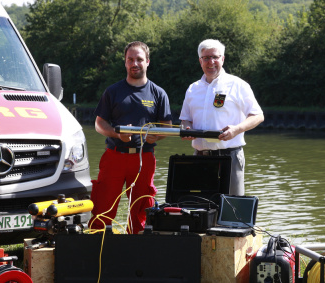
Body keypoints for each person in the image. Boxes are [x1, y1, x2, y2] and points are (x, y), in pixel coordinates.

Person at [89, 41, 172, 234]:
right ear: (125, 63)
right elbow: (99, 124)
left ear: (148, 62)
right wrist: (116, 134)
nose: (135, 63)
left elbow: (167, 127)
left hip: (144, 158)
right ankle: (97, 246)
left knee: (142, 209)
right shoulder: (113, 91)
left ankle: (137, 248)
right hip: (114, 157)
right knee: (103, 207)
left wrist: (156, 137)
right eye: (130, 59)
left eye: (139, 59)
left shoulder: (158, 93)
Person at [180, 39, 264, 196]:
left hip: (230, 158)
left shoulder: (238, 85)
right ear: (200, 61)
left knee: (231, 212)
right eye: (206, 58)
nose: (211, 62)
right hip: (200, 158)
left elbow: (258, 115)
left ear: (223, 59)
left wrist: (237, 129)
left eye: (215, 57)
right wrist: (186, 128)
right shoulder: (193, 89)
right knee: (201, 209)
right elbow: (186, 119)